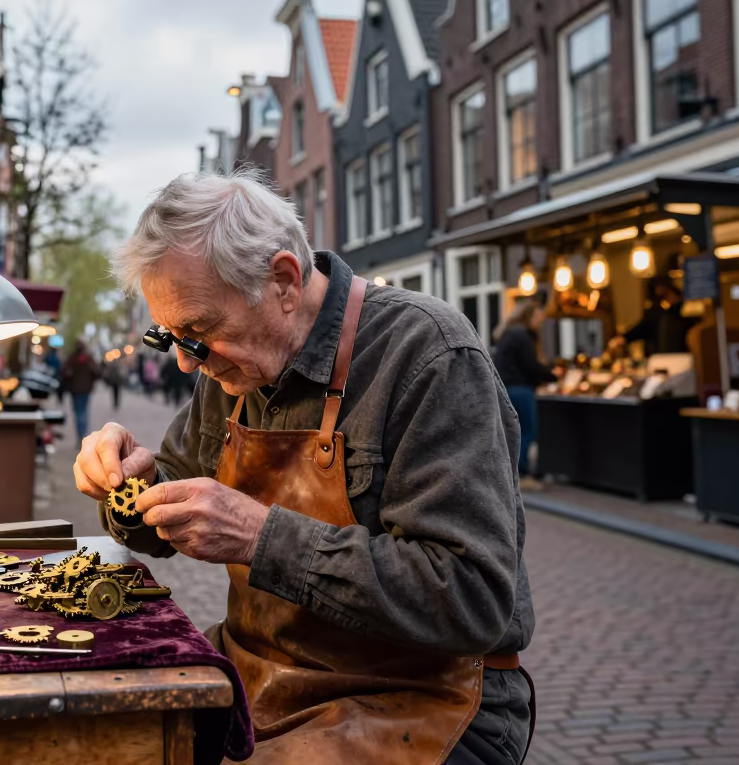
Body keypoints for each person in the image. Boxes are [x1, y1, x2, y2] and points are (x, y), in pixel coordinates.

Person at [74, 171, 534, 765]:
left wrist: (263, 538)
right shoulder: (231, 366)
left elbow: (471, 598)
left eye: (199, 332)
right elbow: (166, 515)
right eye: (172, 339)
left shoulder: (429, 354)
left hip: (421, 696)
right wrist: (130, 487)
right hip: (261, 674)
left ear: (285, 281)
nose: (188, 364)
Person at [492, 301, 558, 490]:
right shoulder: (521, 336)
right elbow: (531, 366)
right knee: (527, 431)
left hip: (507, 388)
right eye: (538, 317)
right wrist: (552, 375)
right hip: (520, 389)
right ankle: (523, 474)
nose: (540, 320)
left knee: (514, 432)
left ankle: (515, 474)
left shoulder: (508, 333)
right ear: (529, 316)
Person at [611, 277, 696, 357]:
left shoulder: (684, 311)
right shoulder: (656, 312)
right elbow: (642, 327)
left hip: (679, 356)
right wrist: (624, 337)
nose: (659, 291)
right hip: (659, 357)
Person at [62, 339, 99, 441]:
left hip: (75, 389)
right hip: (85, 389)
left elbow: (64, 371)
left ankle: (80, 435)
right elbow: (96, 372)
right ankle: (83, 435)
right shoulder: (88, 357)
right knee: (83, 412)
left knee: (78, 412)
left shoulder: (72, 357)